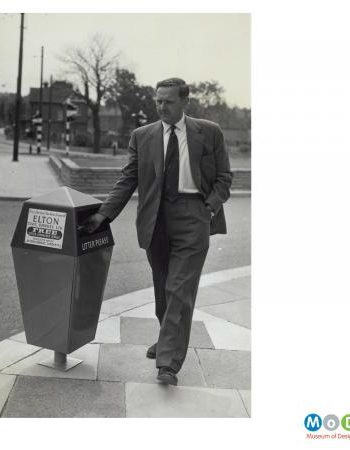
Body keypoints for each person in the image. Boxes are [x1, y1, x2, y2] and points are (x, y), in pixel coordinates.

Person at [83, 78, 233, 386]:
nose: (161, 107)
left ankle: (168, 363)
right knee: (163, 290)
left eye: (168, 102)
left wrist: (208, 208)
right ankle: (168, 339)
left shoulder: (210, 132)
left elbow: (224, 177)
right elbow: (128, 179)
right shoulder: (142, 136)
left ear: (184, 103)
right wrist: (104, 214)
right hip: (155, 219)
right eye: (158, 101)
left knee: (179, 290)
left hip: (193, 216)